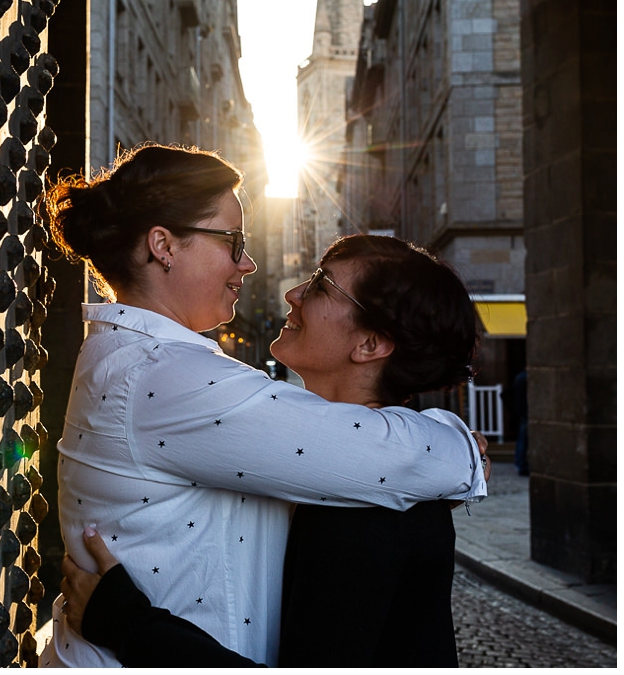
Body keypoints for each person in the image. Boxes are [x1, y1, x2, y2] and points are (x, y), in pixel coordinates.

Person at [38, 143, 487, 668]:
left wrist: (125, 620)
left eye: (321, 286)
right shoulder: (165, 375)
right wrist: (464, 449)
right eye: (233, 242)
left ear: (370, 344)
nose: (252, 266)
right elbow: (401, 459)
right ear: (163, 245)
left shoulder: (367, 505)